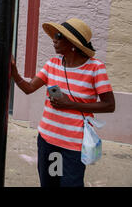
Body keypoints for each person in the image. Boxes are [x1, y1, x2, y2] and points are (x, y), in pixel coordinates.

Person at [11, 18, 115, 187]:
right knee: (50, 183)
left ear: (73, 43)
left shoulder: (95, 68)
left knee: (69, 184)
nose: (54, 40)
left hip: (73, 146)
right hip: (48, 140)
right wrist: (14, 72)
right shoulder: (52, 64)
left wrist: (70, 104)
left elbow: (109, 105)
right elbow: (29, 88)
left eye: (59, 36)